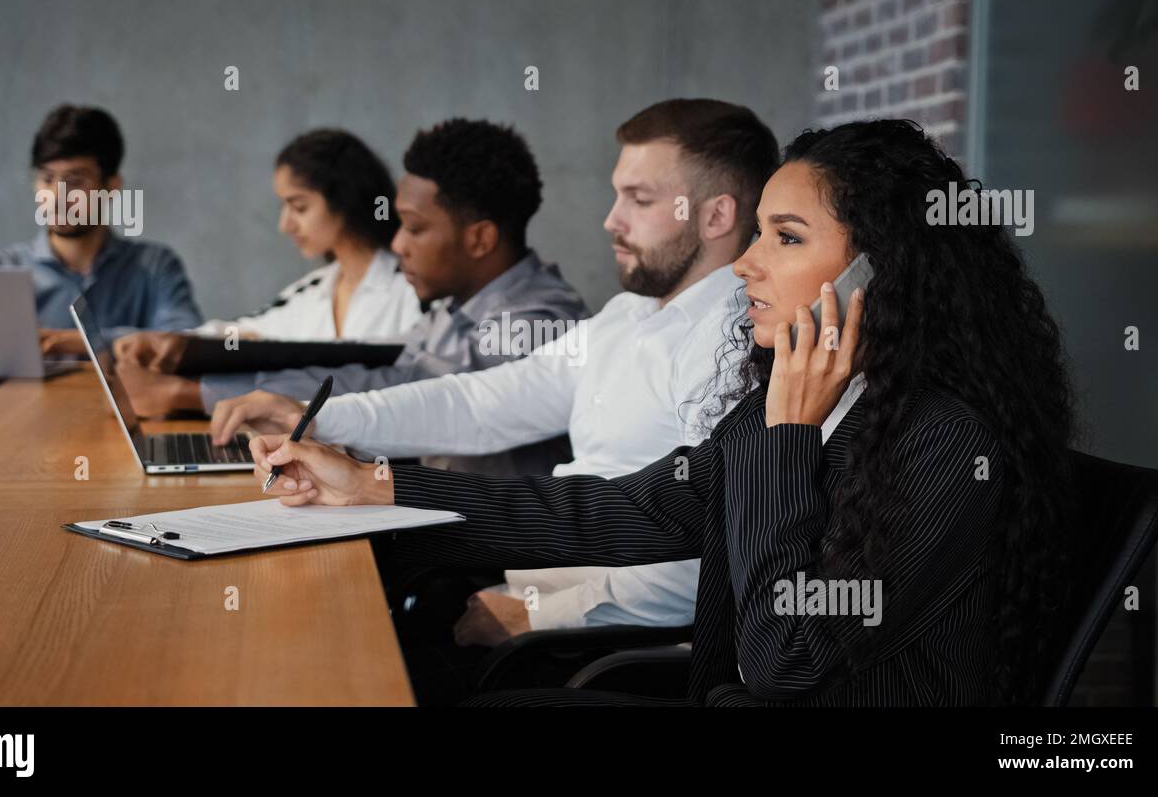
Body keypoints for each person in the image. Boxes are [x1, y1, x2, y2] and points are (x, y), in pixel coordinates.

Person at [247, 119, 1076, 707]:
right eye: (756, 233)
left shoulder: (944, 442)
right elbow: (615, 509)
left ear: (878, 272)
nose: (747, 264)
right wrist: (370, 488)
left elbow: (782, 659)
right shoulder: (791, 410)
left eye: (785, 237)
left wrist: (786, 439)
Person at [209, 100, 779, 701]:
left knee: (328, 679)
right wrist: (320, 418)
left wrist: (543, 615)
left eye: (639, 200)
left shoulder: (733, 340)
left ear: (715, 215)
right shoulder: (631, 314)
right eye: (617, 196)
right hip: (533, 593)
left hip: (597, 647)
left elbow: (699, 557)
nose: (610, 220)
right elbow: (480, 403)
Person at [122, 118, 591, 476]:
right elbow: (378, 375)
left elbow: (431, 402)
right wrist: (248, 398)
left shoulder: (540, 322)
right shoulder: (454, 309)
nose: (399, 243)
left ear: (480, 239)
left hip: (487, 562)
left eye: (415, 228)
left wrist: (200, 395)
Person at [113, 129, 420, 370]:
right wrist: (163, 341)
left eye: (298, 207)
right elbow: (244, 333)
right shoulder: (311, 291)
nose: (285, 224)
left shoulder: (411, 289)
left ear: (346, 199)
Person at [0, 104, 202, 357]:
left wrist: (81, 341)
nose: (58, 197)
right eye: (47, 179)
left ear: (111, 186)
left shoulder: (154, 267)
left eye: (75, 182)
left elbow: (183, 343)